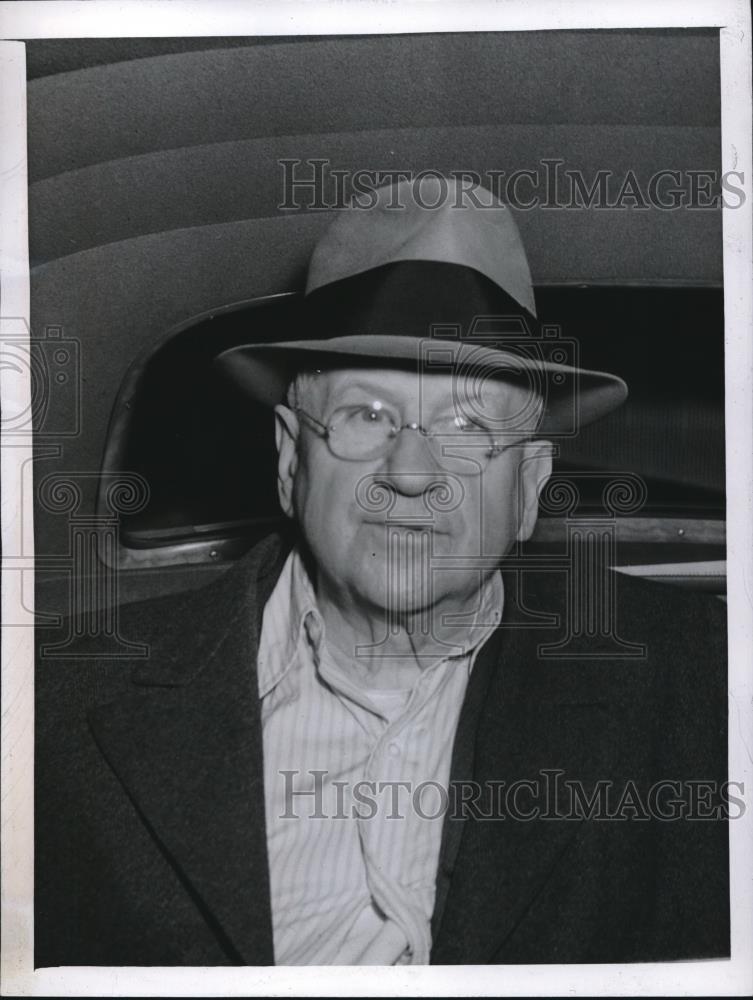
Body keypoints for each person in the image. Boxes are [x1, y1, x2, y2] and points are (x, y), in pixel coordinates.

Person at [35, 177, 729, 967]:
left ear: (530, 487)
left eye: (467, 425)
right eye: (367, 416)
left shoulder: (702, 684)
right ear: (292, 458)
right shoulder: (52, 704)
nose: (409, 472)